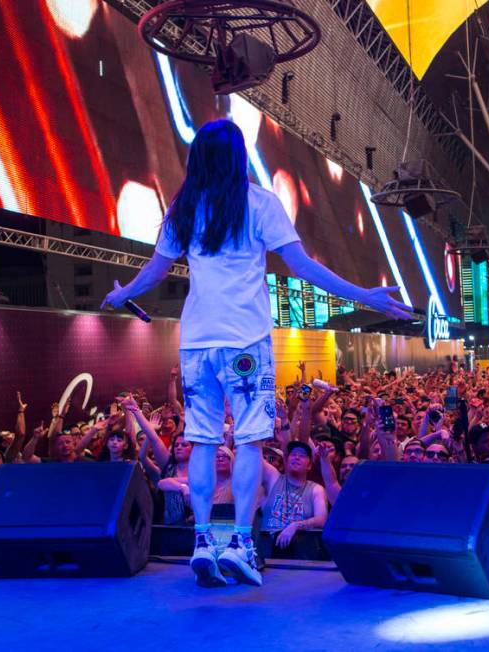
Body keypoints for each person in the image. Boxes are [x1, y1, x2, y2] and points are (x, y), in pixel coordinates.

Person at [101, 119, 411, 588]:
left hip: (196, 344)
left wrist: (123, 294)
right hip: (245, 343)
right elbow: (304, 267)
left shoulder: (183, 210)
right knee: (248, 440)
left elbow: (153, 274)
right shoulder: (261, 204)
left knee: (203, 440)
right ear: (239, 157)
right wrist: (365, 296)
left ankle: (203, 539)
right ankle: (242, 544)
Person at [260, 441, 327, 554]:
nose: (296, 457)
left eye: (302, 455)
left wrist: (296, 525)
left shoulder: (316, 489)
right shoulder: (274, 479)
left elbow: (322, 520)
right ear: (286, 461)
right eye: (293, 454)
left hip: (300, 551)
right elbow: (255, 456)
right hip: (267, 547)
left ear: (309, 465)